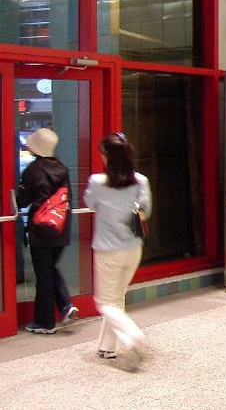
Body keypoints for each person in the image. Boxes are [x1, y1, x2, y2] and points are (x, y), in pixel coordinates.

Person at [84, 132, 152, 370]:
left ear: (107, 157)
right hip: (133, 248)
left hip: (108, 250)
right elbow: (146, 210)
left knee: (105, 302)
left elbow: (90, 203)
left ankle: (133, 337)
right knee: (117, 296)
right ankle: (107, 346)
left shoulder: (97, 182)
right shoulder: (141, 181)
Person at [16, 128, 78, 334]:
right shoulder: (62, 169)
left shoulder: (33, 170)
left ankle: (45, 322)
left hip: (41, 230)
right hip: (61, 227)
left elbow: (22, 201)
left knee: (44, 275)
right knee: (50, 269)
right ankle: (65, 305)